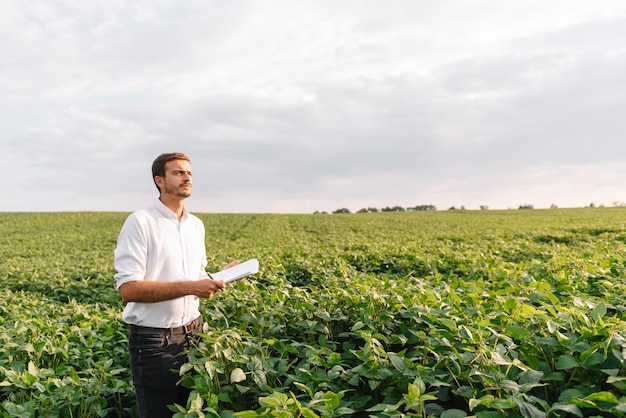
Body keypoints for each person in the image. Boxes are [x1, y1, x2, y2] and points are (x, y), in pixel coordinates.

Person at [114, 152, 237, 417]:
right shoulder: (141, 222)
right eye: (178, 173)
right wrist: (193, 287)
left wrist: (218, 277)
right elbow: (129, 289)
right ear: (159, 180)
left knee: (191, 411)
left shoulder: (196, 225)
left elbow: (196, 275)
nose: (186, 178)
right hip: (154, 340)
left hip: (194, 333)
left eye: (189, 173)